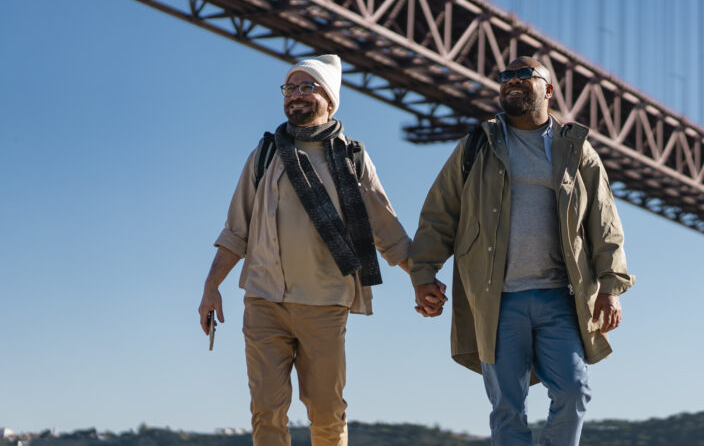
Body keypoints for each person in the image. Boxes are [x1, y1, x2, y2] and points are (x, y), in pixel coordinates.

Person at [409, 56, 635, 446]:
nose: (511, 82)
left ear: (548, 89)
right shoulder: (476, 145)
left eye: (523, 75)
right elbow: (438, 214)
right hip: (496, 299)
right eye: (505, 77)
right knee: (507, 408)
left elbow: (604, 220)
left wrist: (612, 287)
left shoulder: (575, 147)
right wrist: (424, 274)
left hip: (560, 298)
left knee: (574, 392)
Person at [197, 54, 419, 446]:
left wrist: (421, 279)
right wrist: (211, 287)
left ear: (329, 99)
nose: (295, 95)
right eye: (290, 88)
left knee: (327, 413)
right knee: (266, 412)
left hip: (325, 303)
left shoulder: (352, 157)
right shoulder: (265, 154)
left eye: (307, 87)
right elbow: (236, 230)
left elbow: (386, 227)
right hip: (265, 301)